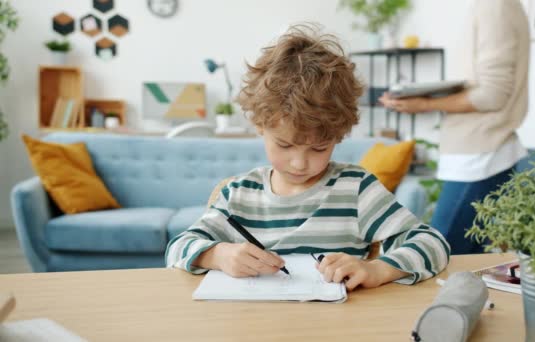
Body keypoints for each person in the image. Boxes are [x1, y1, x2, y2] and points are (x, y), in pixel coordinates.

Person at [166, 24, 450, 290]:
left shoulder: (356, 189)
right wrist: (217, 255)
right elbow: (177, 248)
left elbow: (432, 243)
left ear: (338, 137)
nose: (300, 163)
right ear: (260, 126)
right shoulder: (239, 195)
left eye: (319, 148)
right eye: (285, 145)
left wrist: (377, 270)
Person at [379, 0, 530, 254]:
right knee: (464, 265)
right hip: (479, 153)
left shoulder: (495, 7)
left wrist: (424, 104)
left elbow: (492, 94)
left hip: (481, 155)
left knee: (438, 256)